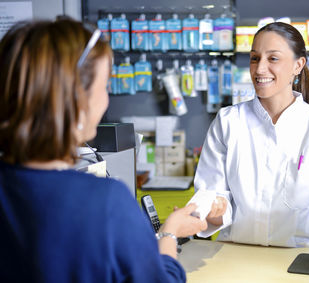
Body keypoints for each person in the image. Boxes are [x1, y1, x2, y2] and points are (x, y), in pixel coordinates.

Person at [0, 19, 207, 282]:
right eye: (104, 87)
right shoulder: (104, 202)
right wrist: (169, 234)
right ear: (75, 100)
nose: (106, 100)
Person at [193, 22, 309, 249]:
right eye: (254, 58)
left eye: (273, 59)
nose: (260, 69)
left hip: (298, 260)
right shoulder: (228, 122)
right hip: (234, 256)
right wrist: (212, 211)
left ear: (298, 65)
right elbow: (212, 199)